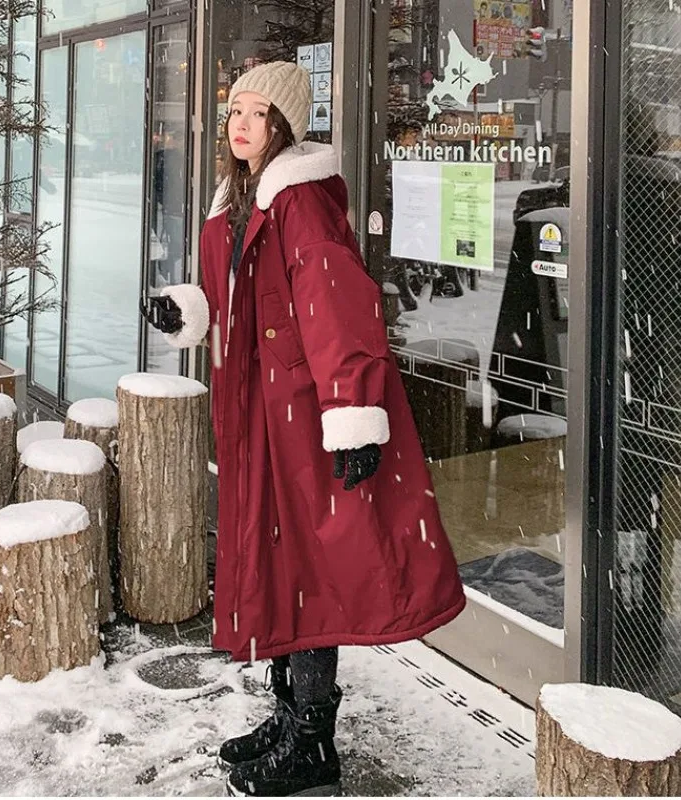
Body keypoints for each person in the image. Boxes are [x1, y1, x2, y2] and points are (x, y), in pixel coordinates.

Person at [142, 60, 465, 797]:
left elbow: (338, 309)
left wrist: (352, 412)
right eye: (235, 111)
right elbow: (242, 300)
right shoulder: (241, 198)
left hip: (305, 415)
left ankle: (314, 739)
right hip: (259, 409)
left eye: (259, 112)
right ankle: (289, 717)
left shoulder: (302, 200)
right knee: (281, 565)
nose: (242, 124)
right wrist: (186, 310)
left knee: (311, 572)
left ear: (286, 125)